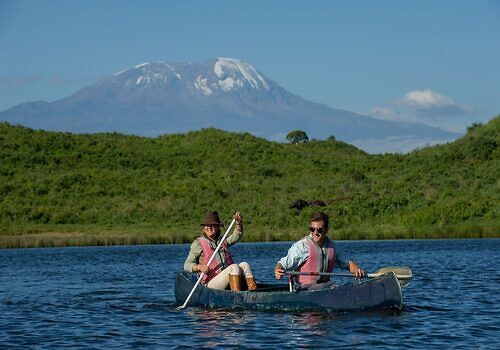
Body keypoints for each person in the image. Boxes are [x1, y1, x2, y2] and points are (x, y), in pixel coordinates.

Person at [274, 211, 365, 290]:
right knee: (334, 287)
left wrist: (357, 270)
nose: (315, 233)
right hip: (304, 288)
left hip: (326, 286)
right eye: (312, 229)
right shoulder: (302, 246)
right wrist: (278, 269)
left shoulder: (333, 247)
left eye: (319, 230)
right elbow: (283, 263)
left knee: (334, 287)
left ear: (326, 230)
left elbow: (348, 263)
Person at [184, 210, 257, 291]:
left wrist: (238, 223)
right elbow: (187, 265)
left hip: (227, 279)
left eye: (212, 225)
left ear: (218, 227)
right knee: (234, 267)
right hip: (210, 283)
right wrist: (199, 267)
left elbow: (237, 236)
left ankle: (253, 293)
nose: (209, 227)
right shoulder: (198, 243)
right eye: (207, 225)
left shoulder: (222, 241)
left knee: (245, 265)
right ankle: (236, 297)